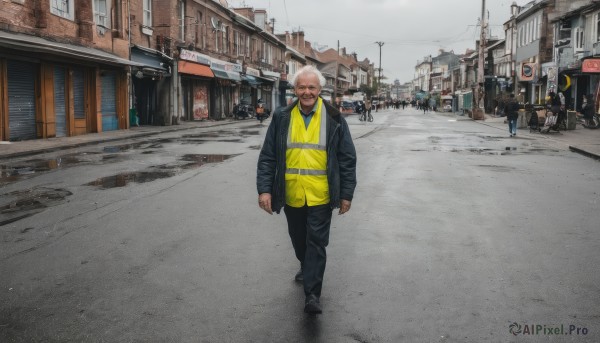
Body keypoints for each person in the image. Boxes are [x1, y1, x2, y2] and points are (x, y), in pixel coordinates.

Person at [256, 65, 357, 315]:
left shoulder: (334, 118)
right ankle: (306, 265)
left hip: (321, 195)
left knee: (316, 243)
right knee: (299, 240)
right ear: (295, 89)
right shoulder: (281, 117)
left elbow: (347, 159)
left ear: (320, 90)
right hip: (291, 194)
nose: (307, 92)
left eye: (312, 87)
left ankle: (312, 294)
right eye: (302, 87)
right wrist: (265, 190)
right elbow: (268, 156)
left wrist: (346, 194)